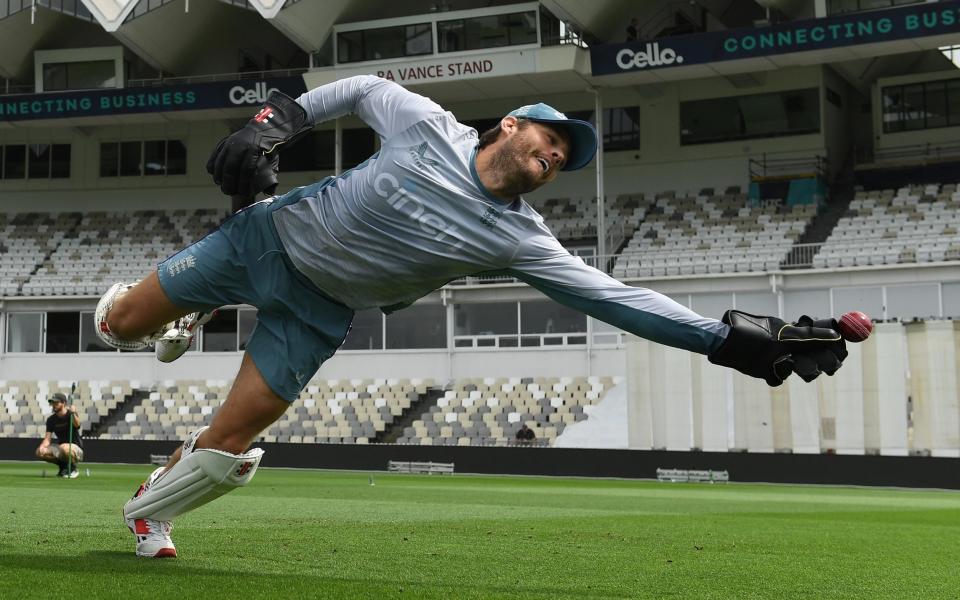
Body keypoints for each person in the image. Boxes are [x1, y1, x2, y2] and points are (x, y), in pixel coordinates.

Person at [92, 74, 847, 558]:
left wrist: (724, 340)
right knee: (118, 326)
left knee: (231, 444)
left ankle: (149, 512)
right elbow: (359, 87)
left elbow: (616, 298)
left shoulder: (520, 238)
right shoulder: (426, 123)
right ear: (512, 124)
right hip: (264, 240)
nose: (554, 157)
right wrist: (273, 122)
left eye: (563, 159)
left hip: (318, 313)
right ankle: (178, 316)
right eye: (550, 140)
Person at [35, 393, 83, 478]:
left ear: (63, 403)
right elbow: (47, 439)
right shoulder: (51, 420)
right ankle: (63, 467)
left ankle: (73, 469)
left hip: (76, 449)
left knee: (64, 447)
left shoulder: (70, 414)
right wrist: (42, 447)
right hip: (62, 448)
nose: (54, 405)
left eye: (56, 403)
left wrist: (73, 412)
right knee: (40, 452)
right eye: (53, 403)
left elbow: (77, 425)